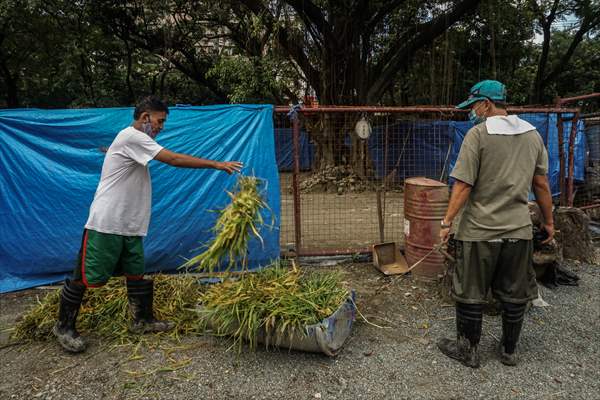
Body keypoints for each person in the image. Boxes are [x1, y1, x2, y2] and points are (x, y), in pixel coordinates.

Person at [53, 96, 243, 353]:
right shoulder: (133, 136)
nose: (161, 126)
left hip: (130, 224)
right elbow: (173, 159)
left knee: (136, 272)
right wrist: (216, 164)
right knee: (86, 274)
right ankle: (63, 326)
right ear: (145, 118)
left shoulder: (131, 140)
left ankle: (142, 320)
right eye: (159, 121)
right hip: (107, 222)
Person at [437, 80, 554, 368]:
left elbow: (463, 184)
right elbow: (541, 184)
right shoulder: (532, 136)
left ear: (487, 104)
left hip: (479, 231)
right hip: (517, 230)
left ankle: (468, 350)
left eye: (475, 105)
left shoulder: (477, 135)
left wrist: (446, 221)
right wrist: (549, 222)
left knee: (470, 291)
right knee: (515, 292)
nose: (473, 111)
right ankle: (509, 350)